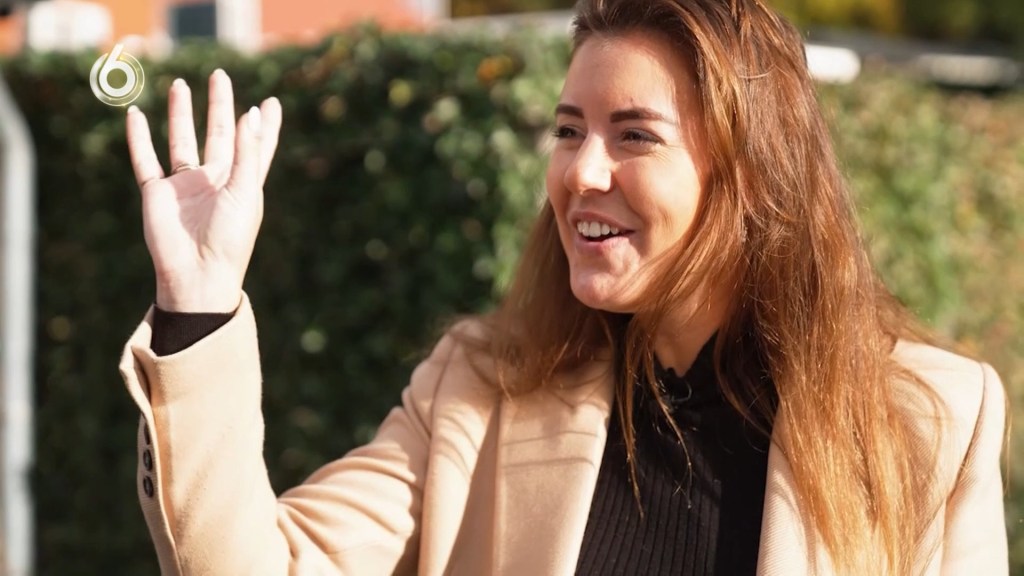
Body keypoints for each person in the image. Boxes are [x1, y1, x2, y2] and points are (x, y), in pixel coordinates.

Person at [119, 0, 1008, 574]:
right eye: (569, 129)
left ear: (749, 175)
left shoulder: (926, 418)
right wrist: (199, 304)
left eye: (635, 135)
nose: (581, 173)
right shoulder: (476, 391)